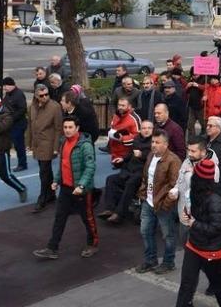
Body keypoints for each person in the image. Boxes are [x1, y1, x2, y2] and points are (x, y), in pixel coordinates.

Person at [33, 116, 98, 260]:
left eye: (70, 127)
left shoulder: (85, 146)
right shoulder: (63, 143)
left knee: (87, 218)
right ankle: (52, 248)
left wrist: (81, 185)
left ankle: (92, 243)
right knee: (59, 218)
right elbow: (63, 165)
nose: (67, 130)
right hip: (66, 188)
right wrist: (56, 181)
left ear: (77, 128)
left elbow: (90, 167)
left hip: (81, 190)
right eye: (65, 127)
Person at [176, 158, 221, 307]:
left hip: (211, 250)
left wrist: (194, 223)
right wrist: (187, 215)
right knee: (187, 283)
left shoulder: (216, 201)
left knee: (217, 282)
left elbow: (216, 228)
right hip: (194, 244)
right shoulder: (195, 193)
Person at [136, 129, 181, 275]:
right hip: (148, 202)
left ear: (166, 144)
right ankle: (150, 260)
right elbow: (145, 177)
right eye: (152, 142)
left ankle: (168, 262)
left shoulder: (173, 161)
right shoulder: (150, 156)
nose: (153, 145)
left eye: (157, 142)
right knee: (145, 231)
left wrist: (166, 204)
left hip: (163, 205)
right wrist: (143, 195)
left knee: (168, 235)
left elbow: (175, 185)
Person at [100, 120, 153, 224]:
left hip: (142, 172)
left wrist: (142, 155)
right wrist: (123, 159)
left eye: (149, 128)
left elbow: (154, 157)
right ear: (140, 130)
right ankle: (110, 209)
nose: (146, 130)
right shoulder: (137, 139)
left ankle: (119, 213)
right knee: (110, 179)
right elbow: (130, 153)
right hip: (129, 169)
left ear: (152, 129)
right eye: (144, 128)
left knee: (130, 182)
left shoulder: (154, 142)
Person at [30, 83, 63, 212]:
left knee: (43, 172)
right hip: (38, 143)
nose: (44, 97)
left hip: (48, 144)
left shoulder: (54, 107)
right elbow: (30, 125)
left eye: (46, 94)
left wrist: (56, 147)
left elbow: (58, 128)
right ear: (36, 96)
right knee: (45, 170)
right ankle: (50, 194)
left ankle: (42, 198)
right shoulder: (32, 106)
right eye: (41, 95)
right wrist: (30, 143)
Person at [1, 76, 30, 172]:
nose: (4, 88)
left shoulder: (19, 94)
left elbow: (22, 109)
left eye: (6, 85)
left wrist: (11, 118)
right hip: (9, 124)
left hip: (18, 124)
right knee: (6, 144)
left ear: (12, 85)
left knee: (19, 145)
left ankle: (22, 164)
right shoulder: (8, 94)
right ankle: (6, 163)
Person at [107, 97, 141, 162]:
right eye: (119, 105)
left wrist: (122, 138)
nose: (120, 107)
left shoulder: (134, 118)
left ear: (129, 106)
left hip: (127, 154)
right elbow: (113, 129)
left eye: (123, 105)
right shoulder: (116, 116)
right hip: (115, 152)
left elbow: (138, 137)